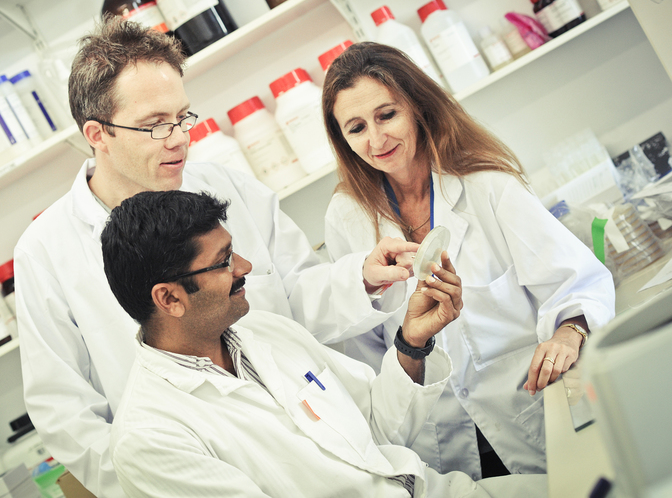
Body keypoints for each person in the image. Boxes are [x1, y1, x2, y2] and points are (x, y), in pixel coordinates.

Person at [14, 20, 417, 496]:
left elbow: (293, 297)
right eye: (154, 125)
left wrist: (361, 280)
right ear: (97, 134)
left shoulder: (228, 187)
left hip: (319, 454)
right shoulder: (45, 250)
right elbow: (66, 411)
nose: (179, 138)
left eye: (183, 117)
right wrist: (158, 483)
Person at [104, 189, 546, 498]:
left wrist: (412, 342)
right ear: (169, 298)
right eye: (223, 262)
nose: (246, 265)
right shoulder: (151, 440)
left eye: (232, 250)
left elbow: (378, 426)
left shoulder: (266, 333)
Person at [321, 42, 615, 479]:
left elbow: (577, 281)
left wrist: (569, 333)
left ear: (418, 106)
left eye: (387, 115)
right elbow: (364, 350)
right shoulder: (347, 217)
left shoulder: (487, 184)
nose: (376, 139)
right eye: (356, 127)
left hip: (531, 409)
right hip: (439, 442)